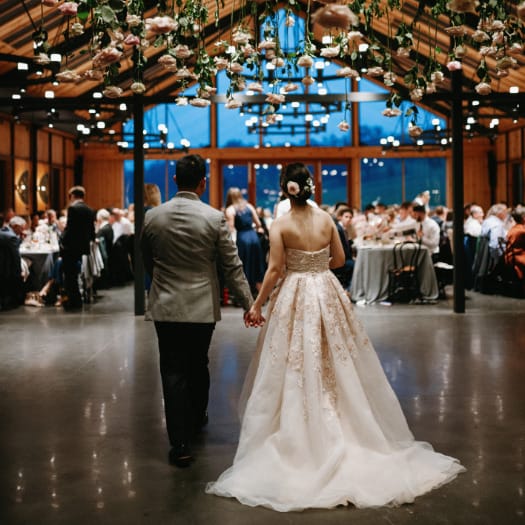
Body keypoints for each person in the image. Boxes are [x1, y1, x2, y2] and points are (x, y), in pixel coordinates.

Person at [206, 162, 465, 511]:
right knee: (337, 357)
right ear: (309, 188)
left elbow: (274, 269)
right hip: (326, 291)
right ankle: (350, 426)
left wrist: (256, 304)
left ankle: (300, 436)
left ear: (286, 190)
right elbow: (340, 260)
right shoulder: (327, 219)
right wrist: (315, 264)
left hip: (295, 291)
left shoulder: (281, 224)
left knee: (292, 359)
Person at [140, 154, 254, 468]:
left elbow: (146, 259)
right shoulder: (213, 217)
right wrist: (249, 303)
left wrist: (160, 282)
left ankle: (180, 443)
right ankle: (196, 416)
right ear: (203, 182)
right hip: (202, 305)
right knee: (198, 363)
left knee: (172, 370)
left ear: (175, 180)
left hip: (165, 304)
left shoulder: (153, 217)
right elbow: (232, 266)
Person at [225, 187, 266, 295]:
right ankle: (261, 295)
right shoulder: (249, 206)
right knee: (257, 265)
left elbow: (231, 228)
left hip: (243, 238)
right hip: (254, 237)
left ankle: (245, 295)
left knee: (244, 267)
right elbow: (258, 224)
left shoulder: (230, 209)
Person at [60, 186, 95, 310]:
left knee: (70, 274)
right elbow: (92, 230)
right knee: (74, 273)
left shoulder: (73, 208)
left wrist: (61, 239)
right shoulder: (89, 210)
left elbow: (69, 229)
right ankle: (76, 299)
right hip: (83, 246)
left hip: (71, 246)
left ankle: (74, 301)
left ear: (72, 196)